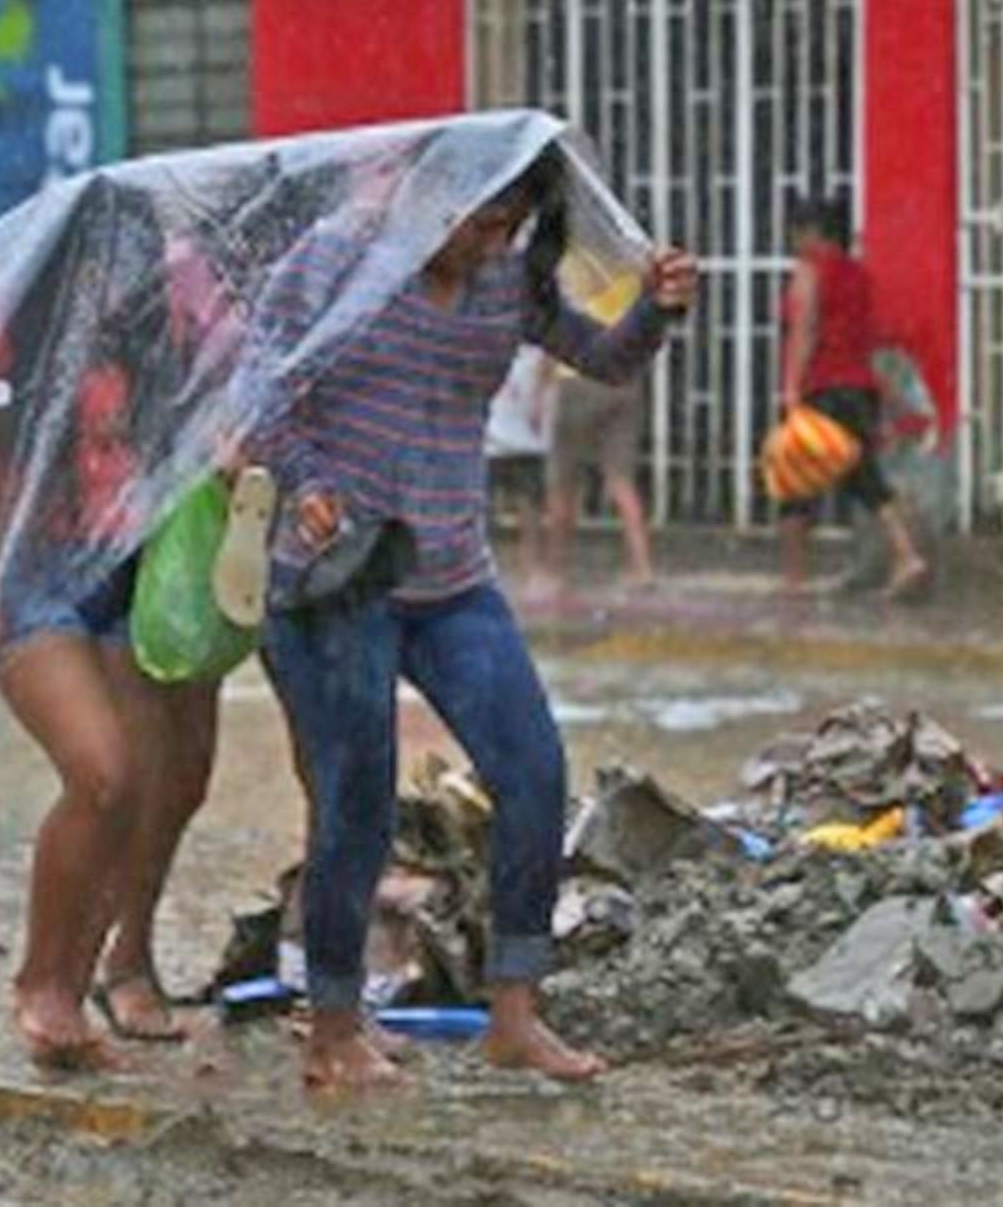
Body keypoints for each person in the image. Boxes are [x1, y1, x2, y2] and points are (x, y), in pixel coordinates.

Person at [242, 148, 698, 1090]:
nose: (488, 244)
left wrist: (656, 308)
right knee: (355, 797)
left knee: (533, 768)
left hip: (452, 577)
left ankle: (515, 1013)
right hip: (338, 580)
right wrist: (310, 482)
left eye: (509, 227)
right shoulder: (333, 265)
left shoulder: (506, 282)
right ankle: (332, 1026)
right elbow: (258, 391)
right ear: (429, 196)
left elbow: (603, 360)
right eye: (478, 222)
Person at [0, 178, 268, 1066]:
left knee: (157, 782)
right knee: (104, 772)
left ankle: (91, 979)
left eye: (132, 265)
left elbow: (207, 413)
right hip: (34, 571)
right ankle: (42, 985)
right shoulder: (9, 311)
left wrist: (229, 459)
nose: (118, 282)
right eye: (102, 266)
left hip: (140, 563)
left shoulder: (168, 311)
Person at [776, 196, 930, 599]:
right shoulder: (859, 276)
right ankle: (906, 554)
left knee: (796, 482)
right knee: (865, 478)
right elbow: (862, 343)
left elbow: (804, 332)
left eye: (796, 231)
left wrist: (791, 389)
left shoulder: (810, 271)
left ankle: (795, 579)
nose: (793, 241)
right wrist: (892, 401)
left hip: (822, 388)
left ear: (811, 232)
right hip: (859, 390)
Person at [543, 366, 656, 594]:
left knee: (564, 482)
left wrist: (541, 384)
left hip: (577, 381)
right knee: (622, 480)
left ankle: (557, 570)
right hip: (624, 381)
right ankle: (642, 568)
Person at [483, 346, 557, 590]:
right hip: (492, 438)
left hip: (527, 438)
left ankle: (532, 569)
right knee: (484, 508)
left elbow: (550, 360)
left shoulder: (539, 345)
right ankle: (486, 569)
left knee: (530, 507)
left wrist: (538, 395)